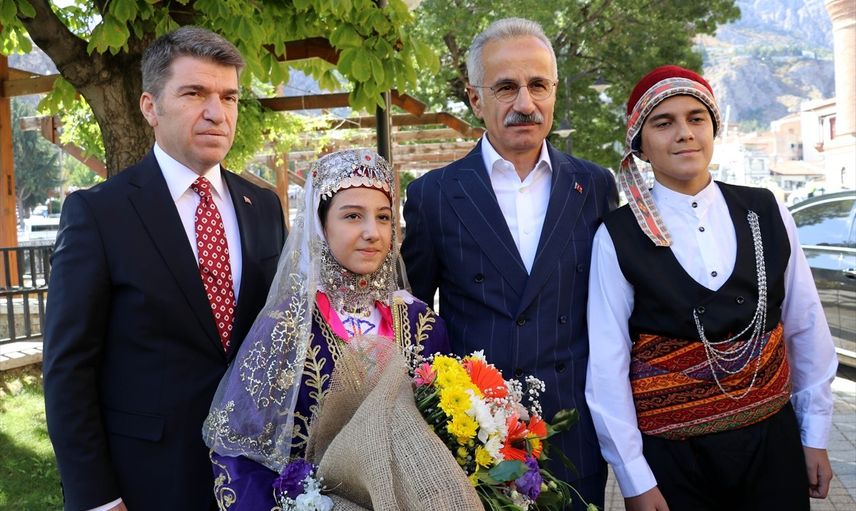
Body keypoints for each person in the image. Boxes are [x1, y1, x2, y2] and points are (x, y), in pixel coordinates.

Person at [42, 27, 286, 511]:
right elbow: (68, 368)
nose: (217, 112)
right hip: (145, 481)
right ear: (150, 107)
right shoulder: (100, 213)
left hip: (254, 477)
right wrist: (96, 497)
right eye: (194, 93)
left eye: (229, 97)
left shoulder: (263, 206)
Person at [585, 65, 838, 511]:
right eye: (664, 123)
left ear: (713, 128)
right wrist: (634, 479)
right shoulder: (617, 235)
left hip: (773, 446)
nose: (684, 133)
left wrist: (814, 434)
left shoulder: (766, 210)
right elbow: (607, 364)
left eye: (696, 118)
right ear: (640, 145)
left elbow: (806, 325)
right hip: (674, 462)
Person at [401, 17, 618, 507]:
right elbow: (412, 320)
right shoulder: (434, 195)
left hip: (573, 438)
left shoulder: (595, 186)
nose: (525, 103)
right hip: (472, 444)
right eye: (506, 88)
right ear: (475, 99)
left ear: (554, 91)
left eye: (538, 85)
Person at [203, 149, 451, 510]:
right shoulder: (286, 326)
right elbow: (239, 450)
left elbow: (448, 435)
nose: (372, 232)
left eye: (383, 217)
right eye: (352, 216)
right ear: (321, 226)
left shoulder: (421, 324)